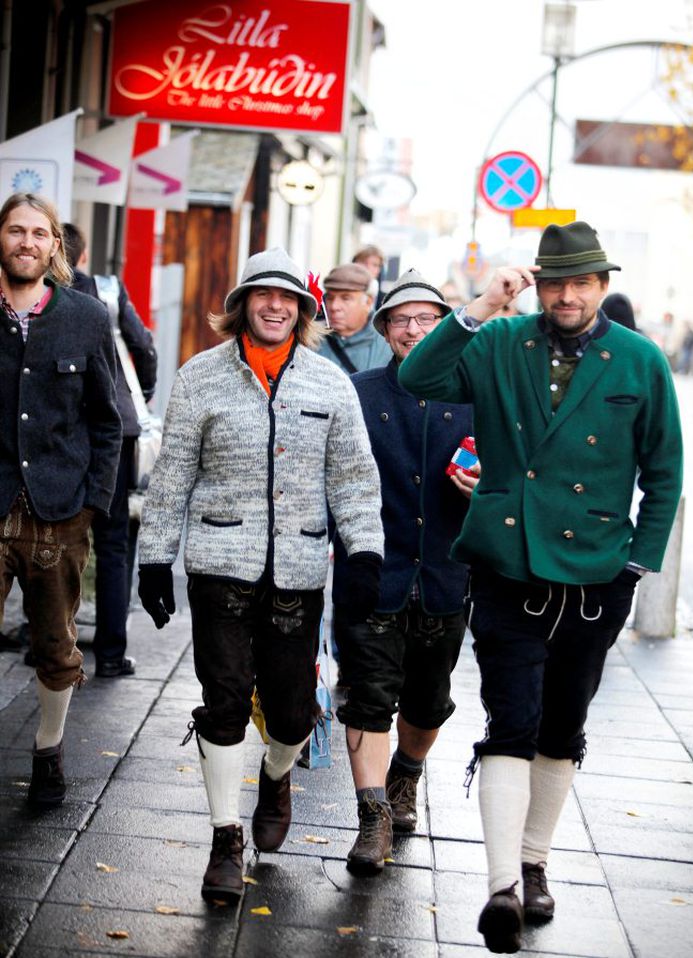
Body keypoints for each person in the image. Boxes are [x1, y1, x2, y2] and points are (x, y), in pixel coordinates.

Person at [398, 221, 683, 954]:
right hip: (505, 565)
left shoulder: (639, 361)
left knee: (561, 728)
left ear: (601, 286)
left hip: (594, 576)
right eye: (554, 281)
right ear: (537, 283)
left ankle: (533, 864)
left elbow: (664, 473)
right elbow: (418, 379)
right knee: (510, 722)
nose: (566, 294)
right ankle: (498, 887)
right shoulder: (497, 341)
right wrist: (474, 307)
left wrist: (635, 565)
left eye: (581, 282)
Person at [136, 248, 384, 905]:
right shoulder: (199, 376)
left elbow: (355, 479)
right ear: (242, 303)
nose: (274, 306)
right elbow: (173, 474)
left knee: (292, 714)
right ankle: (224, 840)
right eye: (261, 295)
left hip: (298, 572)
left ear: (303, 311)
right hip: (219, 569)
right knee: (222, 701)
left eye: (288, 298)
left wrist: (365, 552)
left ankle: (276, 775)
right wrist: (153, 557)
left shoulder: (330, 385)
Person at [332, 270, 476, 876]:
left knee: (428, 700)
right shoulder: (358, 392)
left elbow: (511, 474)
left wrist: (484, 488)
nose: (413, 330)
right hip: (373, 571)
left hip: (446, 573)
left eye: (426, 320)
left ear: (444, 327)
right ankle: (372, 818)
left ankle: (406, 776)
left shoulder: (475, 394)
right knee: (368, 695)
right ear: (384, 328)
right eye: (401, 320)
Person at [0, 193, 121, 808]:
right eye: (15, 230)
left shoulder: (87, 317)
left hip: (61, 509)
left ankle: (48, 749)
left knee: (54, 643)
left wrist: (93, 503)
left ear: (54, 247)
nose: (26, 242)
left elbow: (108, 419)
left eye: (38, 233)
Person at [63, 222, 157, 678]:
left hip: (63, 431)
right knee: (115, 542)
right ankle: (112, 654)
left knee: (57, 538)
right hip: (118, 426)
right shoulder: (108, 290)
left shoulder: (37, 294)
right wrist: (143, 393)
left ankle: (47, 645)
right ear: (83, 257)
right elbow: (145, 346)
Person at [316, 262, 392, 374]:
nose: (334, 306)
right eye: (330, 298)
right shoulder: (311, 338)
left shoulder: (389, 345)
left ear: (368, 302)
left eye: (346, 298)